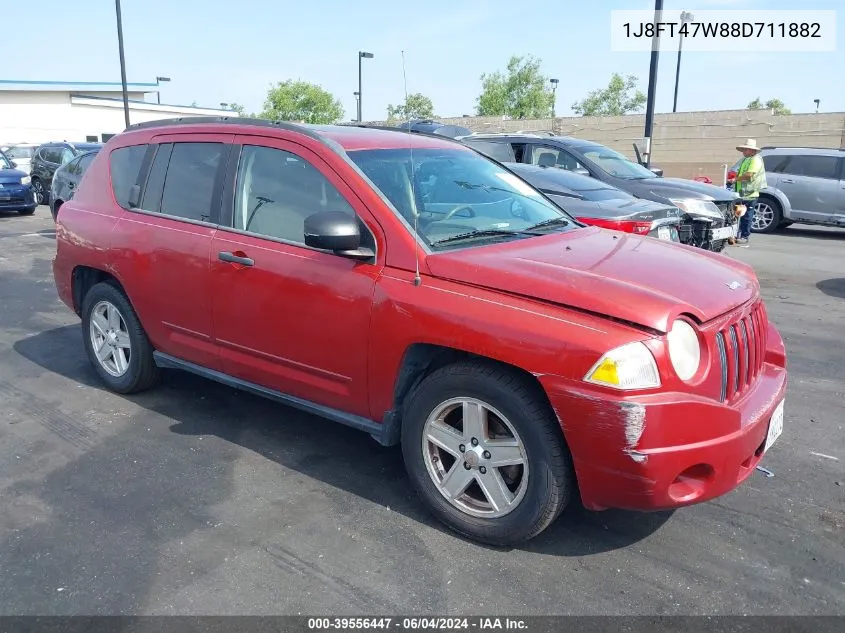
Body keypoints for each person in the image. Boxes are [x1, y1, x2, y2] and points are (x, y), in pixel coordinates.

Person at [732, 138, 767, 247]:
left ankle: (744, 236)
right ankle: (738, 235)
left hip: (750, 194)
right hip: (743, 192)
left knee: (746, 215)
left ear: (752, 151)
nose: (744, 152)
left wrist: (736, 179)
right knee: (739, 214)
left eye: (746, 150)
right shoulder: (747, 159)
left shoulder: (755, 160)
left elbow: (749, 175)